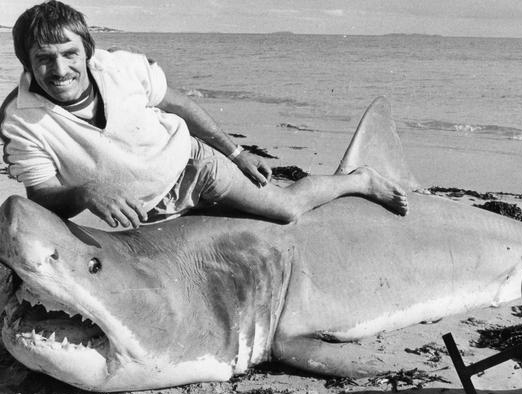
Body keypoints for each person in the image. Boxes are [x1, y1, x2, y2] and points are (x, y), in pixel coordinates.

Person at [1, 1, 408, 229]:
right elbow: (42, 199)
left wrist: (235, 153)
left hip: (196, 165)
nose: (59, 70)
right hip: (149, 212)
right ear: (25, 62)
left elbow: (177, 105)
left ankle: (358, 181)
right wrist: (83, 193)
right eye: (44, 59)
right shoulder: (20, 121)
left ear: (87, 51)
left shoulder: (121, 68)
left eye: (69, 54)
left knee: (285, 211)